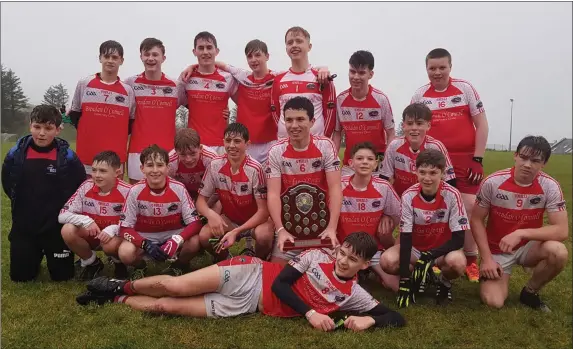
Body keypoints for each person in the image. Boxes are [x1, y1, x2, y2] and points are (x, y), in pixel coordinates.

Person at [76, 232, 406, 331]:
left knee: (165, 306)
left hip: (246, 304)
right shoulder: (317, 257)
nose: (344, 261)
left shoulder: (355, 294)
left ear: (364, 265)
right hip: (252, 273)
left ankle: (113, 299)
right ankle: (119, 286)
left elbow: (395, 317)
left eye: (352, 259)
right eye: (343, 253)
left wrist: (366, 322)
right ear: (339, 249)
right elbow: (280, 286)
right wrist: (310, 313)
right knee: (174, 286)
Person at [410, 48, 489, 282]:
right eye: (432, 68)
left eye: (442, 67)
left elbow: (482, 124)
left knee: (469, 206)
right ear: (426, 69)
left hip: (465, 159)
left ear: (450, 67)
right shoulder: (420, 94)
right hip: (434, 161)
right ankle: (437, 258)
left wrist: (478, 158)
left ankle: (471, 260)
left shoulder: (464, 88)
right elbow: (414, 126)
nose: (437, 72)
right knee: (436, 210)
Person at [471, 136, 568, 312]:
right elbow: (476, 219)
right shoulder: (493, 182)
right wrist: (486, 259)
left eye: (535, 160)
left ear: (544, 163)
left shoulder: (550, 186)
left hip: (528, 247)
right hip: (497, 248)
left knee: (558, 252)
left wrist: (522, 234)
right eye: (523, 157)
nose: (527, 164)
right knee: (494, 302)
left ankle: (530, 292)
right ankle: (490, 272)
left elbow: (562, 230)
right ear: (515, 156)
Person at [2, 105, 86, 282]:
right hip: (25, 224)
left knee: (63, 277)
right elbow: (8, 183)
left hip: (55, 225)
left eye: (48, 128)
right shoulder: (15, 154)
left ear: (57, 130)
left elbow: (79, 187)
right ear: (30, 126)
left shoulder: (68, 157)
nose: (41, 133)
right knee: (21, 277)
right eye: (37, 127)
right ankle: (29, 253)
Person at [380, 149, 469, 307]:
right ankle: (418, 276)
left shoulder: (453, 194)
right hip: (415, 249)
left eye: (433, 173)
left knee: (457, 263)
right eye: (422, 172)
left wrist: (430, 255)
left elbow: (459, 239)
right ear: (416, 171)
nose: (427, 178)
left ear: (442, 173)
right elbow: (405, 237)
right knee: (387, 261)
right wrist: (405, 279)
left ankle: (444, 281)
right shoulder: (408, 196)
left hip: (442, 251)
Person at [266, 96, 342, 265]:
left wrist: (331, 227)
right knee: (275, 276)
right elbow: (273, 194)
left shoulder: (325, 146)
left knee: (333, 274)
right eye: (289, 120)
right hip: (289, 224)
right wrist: (280, 229)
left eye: (300, 119)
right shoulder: (276, 151)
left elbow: (336, 188)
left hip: (321, 222)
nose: (294, 126)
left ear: (312, 121)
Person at [116, 145, 205, 277]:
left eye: (160, 165)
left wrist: (177, 240)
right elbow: (124, 228)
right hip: (146, 235)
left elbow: (195, 223)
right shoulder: (135, 190)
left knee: (195, 242)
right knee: (125, 252)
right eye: (150, 165)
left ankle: (179, 265)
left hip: (173, 233)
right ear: (142, 168)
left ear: (168, 168)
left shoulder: (179, 188)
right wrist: (144, 244)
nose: (155, 170)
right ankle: (141, 267)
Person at [196, 123, 274, 260]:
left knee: (264, 236)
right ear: (223, 142)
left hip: (255, 221)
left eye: (237, 141)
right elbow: (200, 201)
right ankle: (226, 259)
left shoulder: (255, 169)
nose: (231, 145)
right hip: (230, 219)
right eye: (228, 141)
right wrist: (211, 215)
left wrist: (237, 231)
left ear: (247, 144)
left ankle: (257, 261)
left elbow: (263, 212)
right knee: (204, 236)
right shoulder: (215, 165)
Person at [59, 151, 131, 280]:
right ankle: (92, 263)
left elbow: (135, 224)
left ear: (117, 172)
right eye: (94, 170)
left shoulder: (128, 191)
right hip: (92, 234)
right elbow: (62, 215)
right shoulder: (86, 186)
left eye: (103, 171)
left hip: (115, 238)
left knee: (109, 244)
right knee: (67, 230)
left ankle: (119, 263)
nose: (97, 175)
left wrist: (112, 229)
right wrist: (86, 220)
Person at [338, 142, 401, 290]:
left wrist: (388, 216)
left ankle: (369, 270)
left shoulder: (383, 187)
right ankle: (359, 273)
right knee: (344, 287)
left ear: (376, 164)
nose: (365, 162)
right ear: (351, 163)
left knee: (395, 286)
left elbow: (401, 215)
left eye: (370, 159)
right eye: (360, 158)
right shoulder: (339, 186)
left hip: (373, 250)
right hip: (344, 249)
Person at [68, 40, 136, 176]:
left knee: (114, 196)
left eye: (115, 57)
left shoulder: (127, 90)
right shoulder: (84, 84)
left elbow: (130, 123)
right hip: (87, 156)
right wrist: (90, 132)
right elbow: (75, 115)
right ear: (100, 58)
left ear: (121, 60)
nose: (110, 61)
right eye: (106, 56)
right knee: (86, 195)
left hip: (115, 159)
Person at [124, 38, 186, 184]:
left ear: (163, 58)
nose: (150, 58)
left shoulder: (176, 86)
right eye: (147, 54)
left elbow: (196, 106)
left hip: (168, 152)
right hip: (137, 151)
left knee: (165, 198)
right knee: (138, 196)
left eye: (155, 54)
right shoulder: (129, 84)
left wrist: (224, 112)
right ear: (141, 57)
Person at [333, 50, 395, 177]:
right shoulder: (340, 100)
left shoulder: (381, 99)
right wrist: (333, 160)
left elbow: (391, 133)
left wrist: (386, 163)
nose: (356, 77)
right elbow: (337, 133)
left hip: (375, 166)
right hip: (349, 166)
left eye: (361, 73)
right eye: (352, 71)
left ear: (370, 74)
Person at [270, 26, 337, 139]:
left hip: (315, 144)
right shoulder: (278, 80)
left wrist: (323, 139)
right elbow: (275, 113)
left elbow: (330, 115)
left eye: (299, 41)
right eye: (290, 42)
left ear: (309, 46)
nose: (294, 45)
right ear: (286, 48)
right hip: (285, 145)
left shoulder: (322, 78)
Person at [380, 103, 455, 197]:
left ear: (428, 126)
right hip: (400, 199)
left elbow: (450, 180)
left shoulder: (436, 147)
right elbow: (384, 178)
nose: (414, 128)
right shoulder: (394, 146)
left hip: (428, 202)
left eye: (419, 123)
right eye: (410, 123)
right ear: (403, 126)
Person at [181, 31, 238, 155]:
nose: (205, 52)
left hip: (220, 145)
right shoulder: (187, 78)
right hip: (193, 146)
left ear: (216, 51)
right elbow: (174, 103)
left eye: (209, 47)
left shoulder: (228, 78)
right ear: (194, 51)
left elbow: (244, 103)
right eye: (201, 48)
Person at [167, 128, 218, 201]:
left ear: (200, 148)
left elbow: (218, 188)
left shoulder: (211, 158)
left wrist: (202, 208)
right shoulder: (171, 161)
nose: (188, 159)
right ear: (176, 151)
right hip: (182, 195)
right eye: (183, 155)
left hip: (206, 195)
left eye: (193, 153)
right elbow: (167, 186)